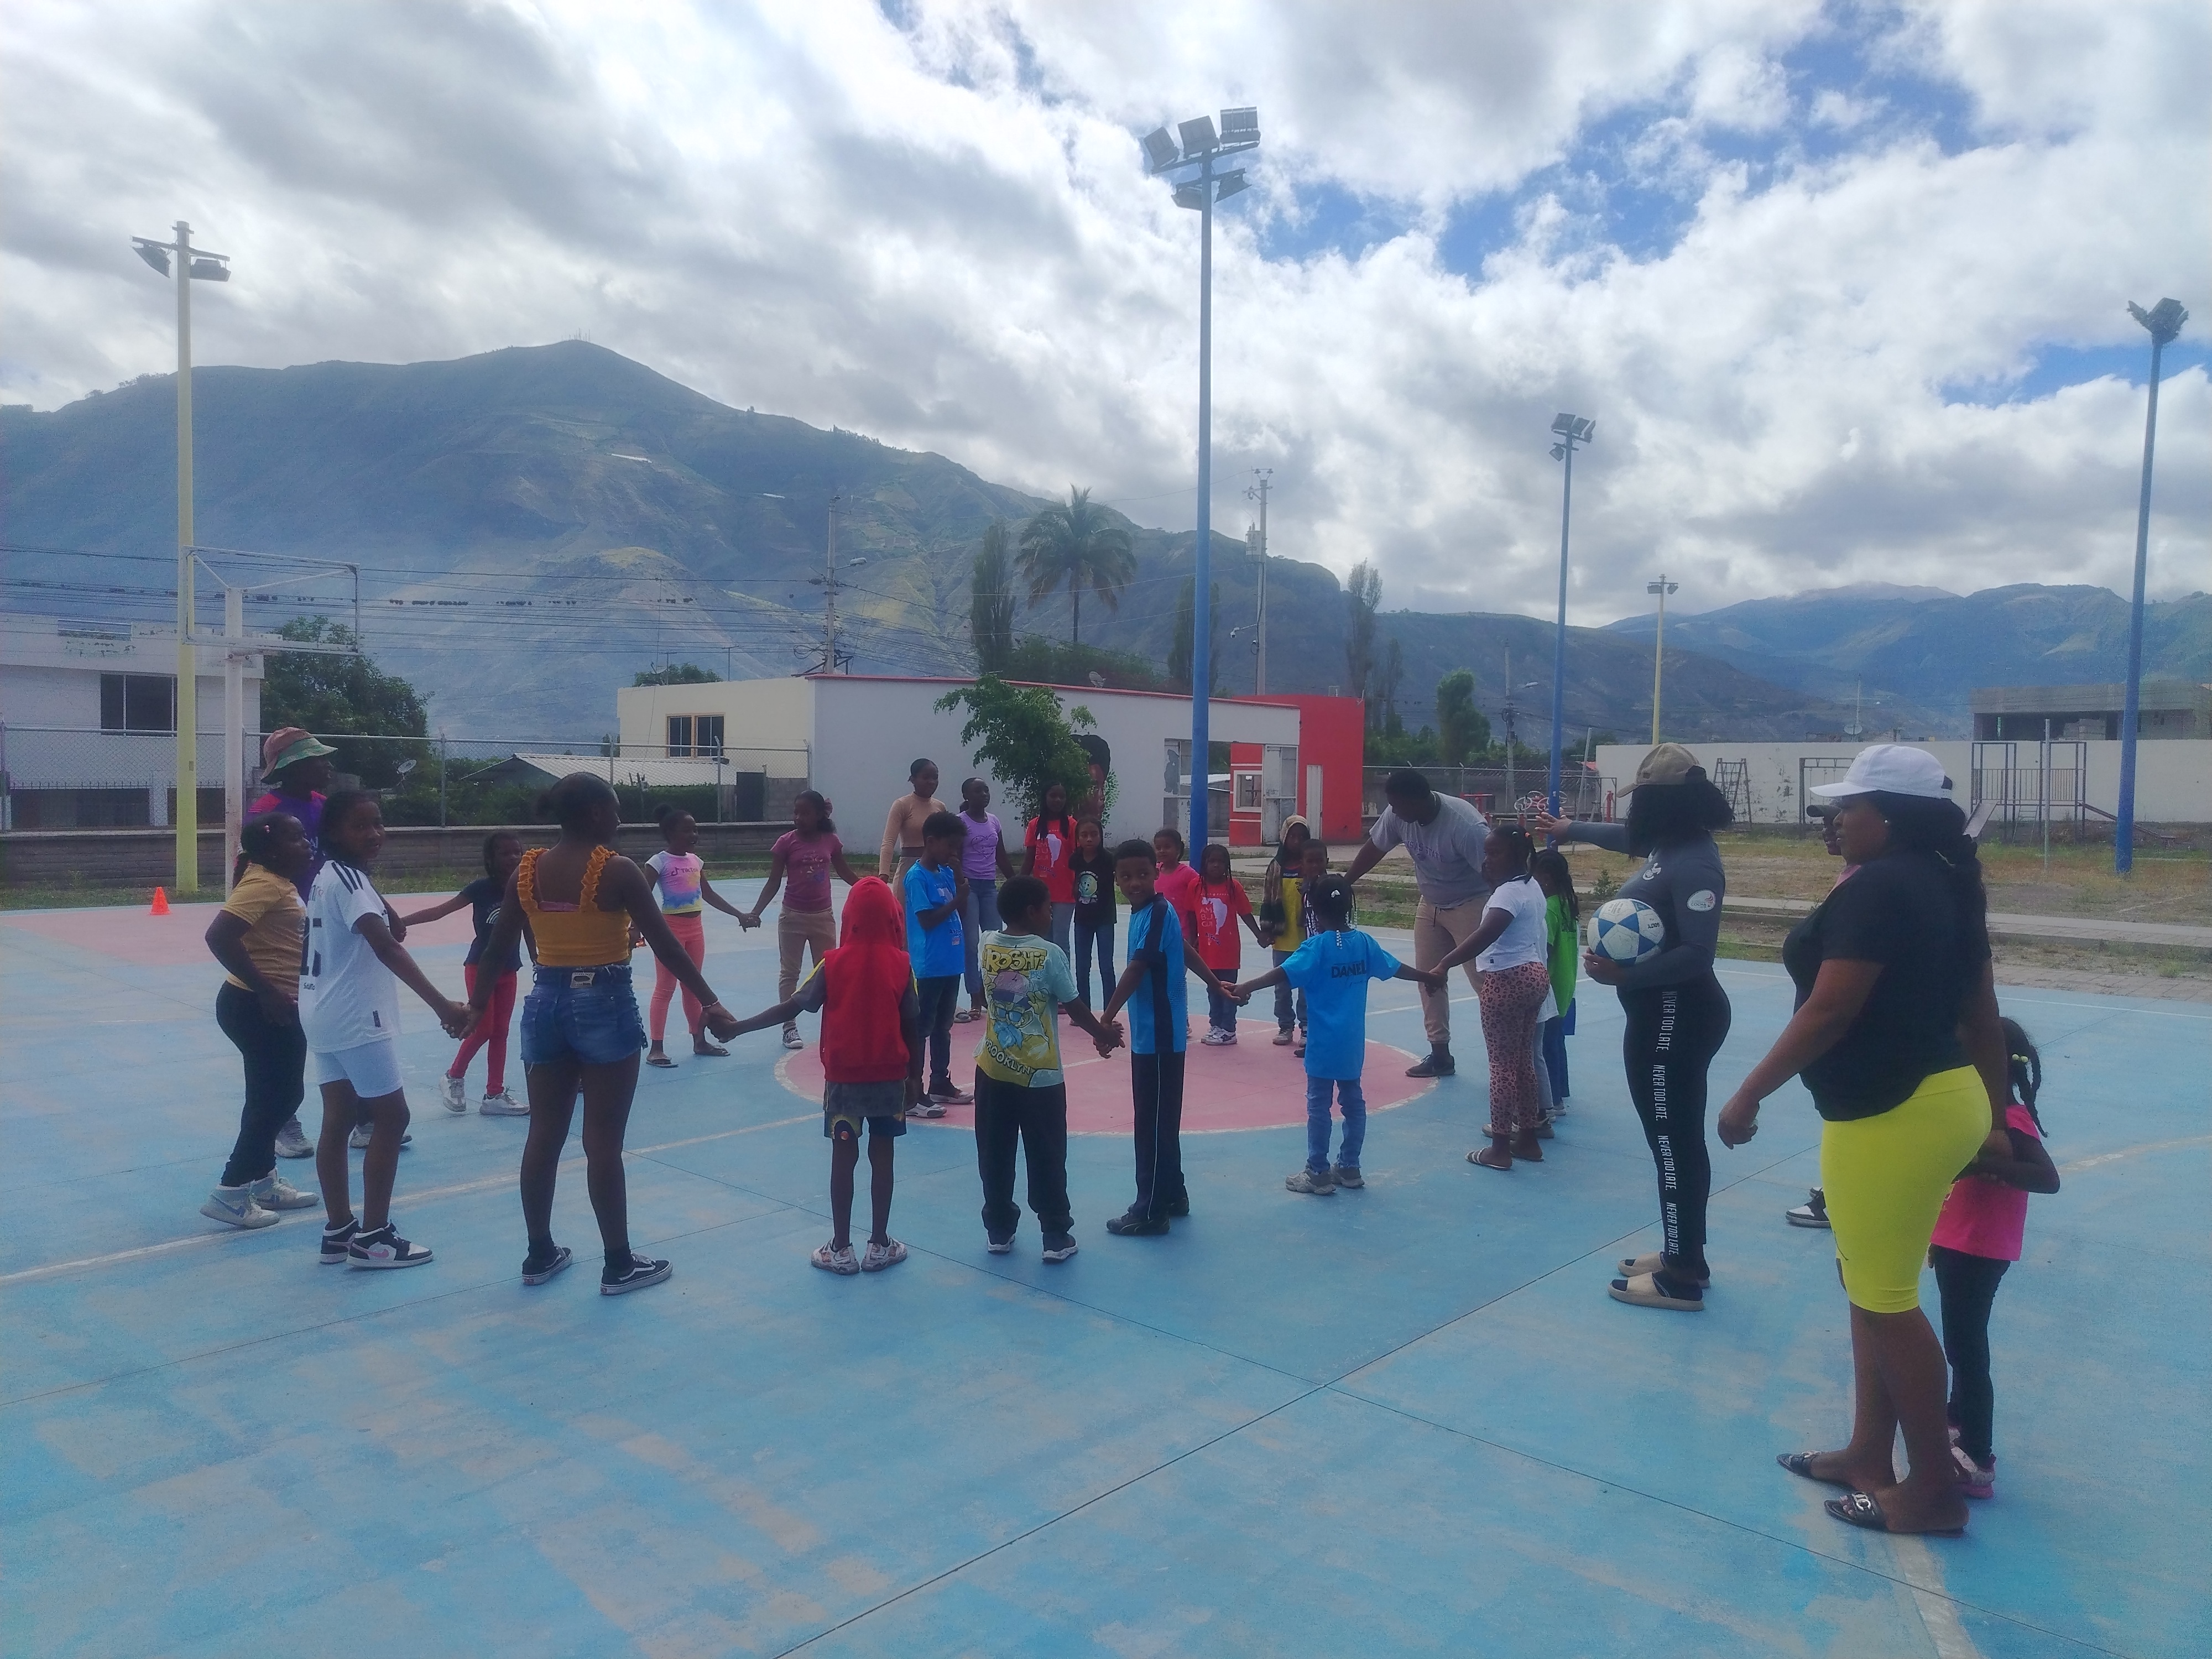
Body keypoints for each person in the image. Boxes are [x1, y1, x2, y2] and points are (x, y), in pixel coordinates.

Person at [1715, 744, 2010, 1538]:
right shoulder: (1943, 882)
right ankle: (1868, 1452)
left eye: (1849, 805)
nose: (1836, 817)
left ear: (1892, 815)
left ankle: (1934, 1492)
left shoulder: (1882, 886)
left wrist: (1748, 1094)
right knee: (1870, 1282)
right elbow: (1981, 1014)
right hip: (1933, 1103)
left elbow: (1830, 1009)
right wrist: (1996, 1119)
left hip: (1894, 1114)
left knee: (1886, 1300)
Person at [472, 773, 742, 1294]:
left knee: (544, 1134)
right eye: (615, 810)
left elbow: (497, 946)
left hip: (544, 1003)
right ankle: (618, 1263)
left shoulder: (527, 870)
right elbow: (666, 945)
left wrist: (476, 1006)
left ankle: (539, 1253)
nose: (619, 820)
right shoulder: (616, 870)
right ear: (597, 813)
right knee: (602, 1142)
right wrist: (710, 1002)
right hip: (603, 1001)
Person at [1532, 744, 1732, 1306]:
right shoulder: (1669, 844)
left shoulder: (1695, 862)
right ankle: (1682, 1251)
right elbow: (1626, 839)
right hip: (1659, 1013)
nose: (1633, 809)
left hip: (1676, 1016)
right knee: (1668, 1139)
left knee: (1673, 1142)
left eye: (1641, 797)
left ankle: (1682, 1276)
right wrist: (1569, 828)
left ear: (1663, 803)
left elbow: (1698, 953)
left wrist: (1626, 976)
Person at [300, 792, 473, 1271]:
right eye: (361, 827)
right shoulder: (352, 881)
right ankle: (375, 1236)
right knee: (393, 1117)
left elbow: (379, 919)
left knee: (337, 1118)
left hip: (320, 1010)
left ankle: (339, 1230)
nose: (374, 834)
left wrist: (386, 906)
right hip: (356, 1016)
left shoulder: (327, 875)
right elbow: (388, 947)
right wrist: (443, 1005)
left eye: (378, 823)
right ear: (334, 833)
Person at [726, 878, 921, 1275]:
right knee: (883, 1156)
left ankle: (841, 1248)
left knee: (843, 1156)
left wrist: (739, 1028)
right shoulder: (902, 965)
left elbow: (793, 1006)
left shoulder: (832, 963)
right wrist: (915, 1078)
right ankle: (880, 1244)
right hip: (889, 1080)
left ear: (849, 918)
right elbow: (914, 1025)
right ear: (894, 919)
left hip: (844, 1083)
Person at [1233, 873, 1439, 1195]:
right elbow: (1396, 968)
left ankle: (1318, 1171)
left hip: (1322, 1044)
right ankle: (1350, 1167)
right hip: (1352, 1044)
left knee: (1319, 1105)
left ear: (1313, 910)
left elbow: (1283, 973)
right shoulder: (1364, 944)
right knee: (1353, 1102)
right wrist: (1428, 977)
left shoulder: (1316, 948)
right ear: (1349, 907)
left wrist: (1245, 986)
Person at [1931, 1017, 2059, 1501]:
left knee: (1967, 1347)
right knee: (1960, 1340)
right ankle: (1957, 1418)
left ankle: (1977, 1454)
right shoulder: (1982, 1112)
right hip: (1959, 1241)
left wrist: (1981, 1163)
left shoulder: (2009, 1119)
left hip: (1979, 1248)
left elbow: (2047, 1179)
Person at [971, 874, 1123, 1258]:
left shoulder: (986, 944)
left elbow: (995, 995)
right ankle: (1055, 1234)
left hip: (993, 1071)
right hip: (1040, 1079)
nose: (1052, 914)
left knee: (994, 1154)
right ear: (1032, 911)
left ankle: (999, 1230)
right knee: (1048, 1155)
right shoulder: (1051, 954)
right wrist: (1104, 1034)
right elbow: (1075, 1008)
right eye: (1048, 908)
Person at [1098, 839, 1235, 1236]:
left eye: (1143, 874)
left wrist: (1105, 1018)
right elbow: (1184, 948)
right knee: (1161, 1120)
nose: (1135, 882)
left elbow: (1137, 969)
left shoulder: (1157, 912)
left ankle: (1151, 1210)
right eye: (1126, 876)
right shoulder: (1153, 912)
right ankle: (1173, 1194)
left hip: (1159, 1035)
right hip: (1155, 1034)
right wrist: (1213, 981)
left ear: (1155, 873)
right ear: (1116, 879)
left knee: (1152, 1124)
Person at [198, 813, 321, 1229]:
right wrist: (267, 990)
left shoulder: (276, 880)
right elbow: (218, 936)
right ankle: (230, 1191)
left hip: (265, 1003)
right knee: (281, 1098)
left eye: (305, 836)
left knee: (267, 1096)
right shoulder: (265, 883)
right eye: (295, 838)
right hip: (258, 1005)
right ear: (271, 850)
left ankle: (264, 1181)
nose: (306, 844)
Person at [1342, 770, 1492, 1078]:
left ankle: (1506, 1057)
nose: (1394, 812)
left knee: (1486, 984)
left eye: (1399, 806)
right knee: (1429, 978)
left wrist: (1503, 915)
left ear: (1418, 800)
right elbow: (1375, 847)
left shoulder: (1465, 826)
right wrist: (1345, 883)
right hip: (1431, 904)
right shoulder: (1398, 814)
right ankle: (1440, 1055)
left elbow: (1496, 874)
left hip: (1471, 903)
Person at [1432, 828, 1554, 1170]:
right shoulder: (1530, 886)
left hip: (1506, 979)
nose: (1487, 861)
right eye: (1486, 854)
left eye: (1495, 854)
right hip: (1533, 975)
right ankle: (1528, 1139)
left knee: (1502, 1066)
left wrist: (1444, 963)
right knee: (1523, 1061)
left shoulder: (1507, 895)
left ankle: (1500, 1148)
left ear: (1516, 855)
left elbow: (1485, 935)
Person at [251, 726, 340, 1160]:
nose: (327, 766)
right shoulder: (266, 812)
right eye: (318, 759)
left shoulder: (326, 806)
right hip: (288, 934)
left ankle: (359, 1112)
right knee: (287, 1030)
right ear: (294, 766)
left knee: (339, 1017)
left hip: (331, 926)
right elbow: (250, 873)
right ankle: (283, 1120)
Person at [399, 831, 534, 1115]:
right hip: (480, 969)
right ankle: (453, 1076)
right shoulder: (481, 889)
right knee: (483, 1028)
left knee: (501, 1031)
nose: (513, 858)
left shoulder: (524, 888)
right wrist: (400, 923)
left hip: (509, 969)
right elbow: (440, 911)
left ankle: (494, 1094)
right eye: (505, 853)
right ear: (490, 859)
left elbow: (529, 927)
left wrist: (539, 961)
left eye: (517, 852)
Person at [742, 790, 859, 1051]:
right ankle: (789, 1027)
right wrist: (756, 912)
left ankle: (836, 1024)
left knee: (829, 971)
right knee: (790, 973)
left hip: (823, 918)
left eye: (805, 813)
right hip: (792, 918)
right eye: (796, 813)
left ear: (819, 815)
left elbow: (844, 872)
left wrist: (870, 886)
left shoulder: (831, 841)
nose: (798, 818)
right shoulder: (786, 842)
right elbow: (773, 881)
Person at [1788, 801, 1858, 1230]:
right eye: (1824, 823)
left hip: (1848, 1046)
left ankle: (1843, 1197)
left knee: (1855, 1122)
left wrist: (1752, 1092)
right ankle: (1842, 1190)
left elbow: (1834, 1003)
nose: (1829, 830)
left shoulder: (1868, 886)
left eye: (1837, 821)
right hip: (1833, 1050)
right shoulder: (1851, 877)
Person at [643, 806, 753, 1069]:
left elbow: (709, 894)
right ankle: (656, 1048)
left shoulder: (696, 861)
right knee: (665, 988)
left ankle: (699, 1041)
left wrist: (739, 914)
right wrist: (637, 927)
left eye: (695, 829)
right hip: (670, 932)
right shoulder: (658, 862)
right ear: (671, 833)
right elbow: (642, 898)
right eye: (687, 830)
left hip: (696, 931)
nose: (694, 834)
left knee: (693, 987)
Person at [903, 810, 970, 1110]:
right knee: (922, 1028)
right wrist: (957, 899)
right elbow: (927, 920)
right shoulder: (917, 877)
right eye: (950, 846)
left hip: (951, 963)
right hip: (929, 966)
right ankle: (914, 1091)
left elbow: (962, 913)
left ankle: (940, 1082)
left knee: (944, 1026)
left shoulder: (945, 873)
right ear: (931, 842)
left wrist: (959, 878)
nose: (954, 853)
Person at [956, 778, 1015, 1023]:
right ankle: (975, 997)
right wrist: (960, 886)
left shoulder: (994, 821)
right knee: (972, 944)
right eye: (978, 791)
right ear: (967, 796)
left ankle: (994, 995)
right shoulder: (961, 822)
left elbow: (1001, 855)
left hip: (990, 888)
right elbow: (956, 856)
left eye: (986, 790)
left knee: (996, 942)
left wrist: (1015, 882)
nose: (984, 794)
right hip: (969, 887)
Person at [1191, 842, 1262, 1045]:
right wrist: (1193, 939)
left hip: (1229, 952)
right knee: (1212, 989)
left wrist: (1259, 935)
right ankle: (1215, 1025)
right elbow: (1191, 914)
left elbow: (1246, 913)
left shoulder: (1233, 887)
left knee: (1229, 989)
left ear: (1227, 865)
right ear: (1204, 863)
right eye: (1211, 861)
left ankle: (1229, 1029)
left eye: (1221, 862)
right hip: (1207, 952)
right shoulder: (1195, 886)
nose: (1216, 865)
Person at [1531, 848, 1579, 1124]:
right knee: (1557, 1042)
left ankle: (1553, 1102)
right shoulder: (1566, 903)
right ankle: (1562, 1090)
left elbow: (1545, 950)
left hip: (1549, 986)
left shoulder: (1548, 907)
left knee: (1545, 1045)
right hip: (1566, 983)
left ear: (1546, 878)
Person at [1257, 816, 1312, 1048]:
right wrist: (1266, 929)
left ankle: (1307, 1026)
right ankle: (1285, 1025)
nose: (1297, 841)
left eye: (1302, 837)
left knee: (1307, 986)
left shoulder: (1311, 865)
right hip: (1282, 938)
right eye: (1292, 836)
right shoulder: (1276, 867)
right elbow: (1267, 899)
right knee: (1282, 986)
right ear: (1284, 838)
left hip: (1308, 939)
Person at [1022, 782, 1080, 956]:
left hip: (1064, 893)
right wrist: (1019, 884)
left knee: (1061, 941)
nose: (1058, 800)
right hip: (1040, 892)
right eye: (1053, 796)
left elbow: (1079, 858)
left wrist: (1077, 883)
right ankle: (1045, 973)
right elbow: (1029, 858)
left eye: (1062, 796)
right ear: (1045, 798)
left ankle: (1063, 974)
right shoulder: (1035, 825)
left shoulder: (1072, 825)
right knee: (1043, 940)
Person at [1068, 817, 1118, 1011]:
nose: (1089, 839)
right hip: (1082, 919)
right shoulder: (1075, 859)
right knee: (1082, 966)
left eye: (1094, 834)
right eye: (1084, 835)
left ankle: (1110, 1011)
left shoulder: (1109, 859)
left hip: (1105, 918)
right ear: (1078, 838)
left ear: (1101, 836)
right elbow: (1074, 880)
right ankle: (1084, 1010)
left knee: (1106, 966)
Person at [878, 757, 947, 879]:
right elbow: (888, 842)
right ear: (913, 779)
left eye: (935, 777)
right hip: (908, 870)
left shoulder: (940, 807)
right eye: (926, 777)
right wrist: (884, 874)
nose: (931, 782)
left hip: (935, 872)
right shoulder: (902, 805)